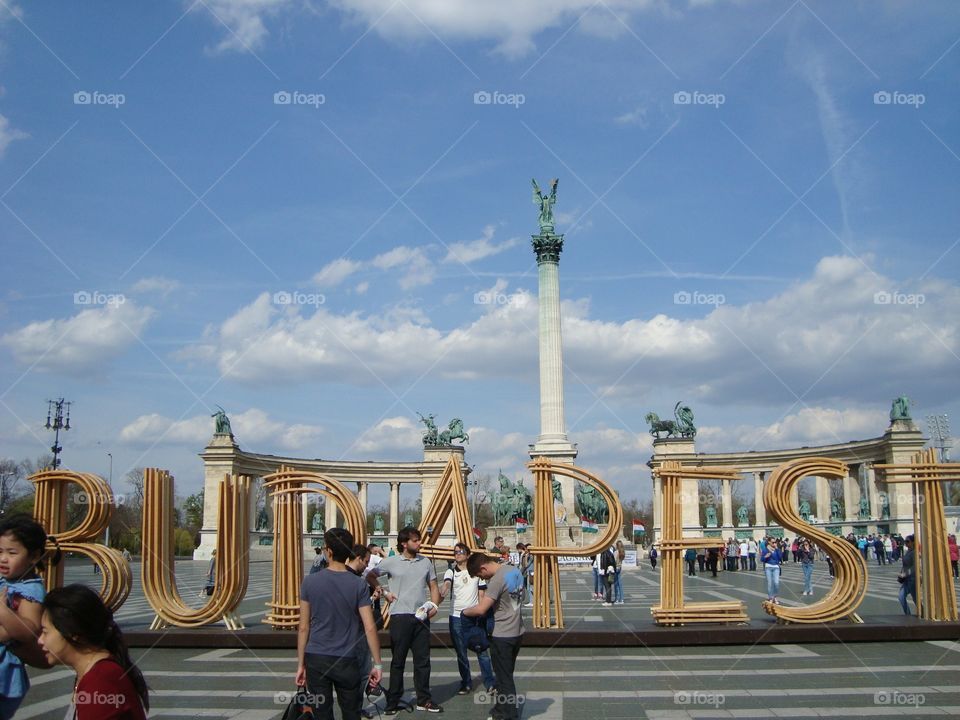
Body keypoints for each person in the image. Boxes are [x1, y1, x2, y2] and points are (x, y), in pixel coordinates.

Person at [297, 528, 383, 720]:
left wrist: (301, 664)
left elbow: (303, 627)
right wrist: (377, 664)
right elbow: (369, 627)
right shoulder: (359, 584)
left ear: (328, 551)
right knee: (351, 712)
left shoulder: (310, 582)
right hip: (347, 659)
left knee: (322, 713)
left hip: (316, 658)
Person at [39, 584, 149, 719]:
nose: (40, 640)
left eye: (45, 632)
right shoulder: (96, 673)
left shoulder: (100, 681)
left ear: (72, 633)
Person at [369, 526, 442, 714]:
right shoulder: (391, 561)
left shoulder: (425, 562)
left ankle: (424, 699)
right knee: (398, 662)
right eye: (415, 540)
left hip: (421, 616)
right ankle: (392, 701)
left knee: (423, 661)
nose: (419, 543)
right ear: (404, 543)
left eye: (419, 540)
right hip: (399, 616)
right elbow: (370, 575)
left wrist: (434, 606)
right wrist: (384, 592)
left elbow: (433, 585)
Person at [0, 515, 56, 719]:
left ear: (34, 556)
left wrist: (3, 611)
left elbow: (28, 630)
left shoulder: (30, 589)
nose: (3, 558)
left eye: (12, 553)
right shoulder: (5, 581)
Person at [463, 553, 525, 720]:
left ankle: (510, 715)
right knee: (505, 674)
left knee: (504, 678)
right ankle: (500, 709)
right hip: (517, 631)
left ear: (483, 568)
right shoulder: (514, 571)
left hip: (502, 634)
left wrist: (465, 612)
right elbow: (522, 597)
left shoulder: (497, 580)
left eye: (480, 575)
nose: (482, 579)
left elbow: (481, 609)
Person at [440, 542, 495, 695]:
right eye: (455, 552)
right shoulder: (451, 571)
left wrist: (482, 612)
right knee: (461, 652)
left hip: (474, 616)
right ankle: (466, 683)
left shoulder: (476, 572)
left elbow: (482, 594)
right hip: (456, 617)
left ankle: (490, 683)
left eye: (461, 551)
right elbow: (447, 582)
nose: (457, 554)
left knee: (482, 650)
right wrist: (444, 588)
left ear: (468, 554)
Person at [899, 535, 918, 616]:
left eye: (907, 541)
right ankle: (908, 614)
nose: (906, 543)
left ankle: (923, 612)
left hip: (913, 579)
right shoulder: (908, 551)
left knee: (915, 599)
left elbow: (915, 566)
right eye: (905, 541)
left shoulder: (914, 552)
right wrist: (901, 572)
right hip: (906, 579)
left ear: (913, 542)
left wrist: (906, 573)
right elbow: (905, 565)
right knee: (901, 597)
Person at [762, 536, 783, 604]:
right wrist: (765, 556)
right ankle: (770, 597)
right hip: (768, 567)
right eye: (773, 542)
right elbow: (762, 559)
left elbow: (780, 558)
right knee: (770, 583)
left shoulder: (776, 550)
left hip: (776, 567)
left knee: (776, 583)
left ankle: (775, 597)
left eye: (775, 542)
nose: (774, 543)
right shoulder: (765, 550)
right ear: (769, 542)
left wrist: (777, 549)